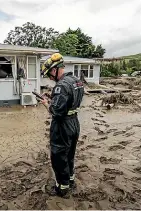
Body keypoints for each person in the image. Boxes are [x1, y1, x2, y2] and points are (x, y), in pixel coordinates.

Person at [39, 53, 84, 198]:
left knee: (59, 157)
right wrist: (53, 97)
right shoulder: (76, 81)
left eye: (49, 75)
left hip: (62, 126)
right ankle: (70, 180)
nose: (50, 79)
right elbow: (69, 100)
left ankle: (62, 188)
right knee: (70, 154)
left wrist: (47, 104)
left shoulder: (61, 86)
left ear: (54, 70)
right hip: (74, 123)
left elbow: (56, 111)